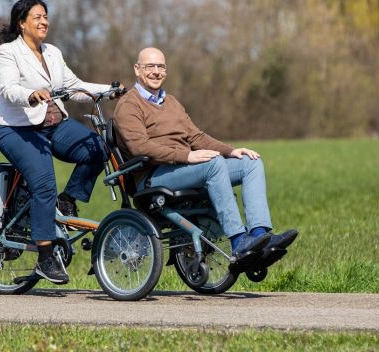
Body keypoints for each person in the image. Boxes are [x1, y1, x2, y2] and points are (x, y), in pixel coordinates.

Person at [113, 47, 298, 269]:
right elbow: (139, 147)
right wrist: (187, 156)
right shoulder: (128, 105)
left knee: (251, 163)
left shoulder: (171, 102)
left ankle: (260, 237)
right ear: (137, 69)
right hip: (152, 176)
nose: (156, 72)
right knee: (213, 164)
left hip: (183, 168)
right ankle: (239, 241)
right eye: (149, 66)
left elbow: (196, 137)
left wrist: (231, 151)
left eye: (161, 66)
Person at [0, 0, 116, 284]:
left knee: (98, 147)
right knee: (44, 182)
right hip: (17, 130)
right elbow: (9, 88)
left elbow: (74, 87)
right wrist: (31, 94)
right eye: (37, 17)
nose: (44, 21)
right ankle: (45, 258)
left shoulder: (53, 53)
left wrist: (109, 90)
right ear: (22, 23)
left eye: (45, 16)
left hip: (54, 125)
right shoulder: (6, 53)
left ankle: (68, 199)